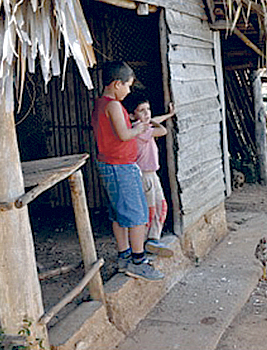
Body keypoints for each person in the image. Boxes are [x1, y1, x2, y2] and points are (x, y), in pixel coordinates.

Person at [91, 61, 164, 280]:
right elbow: (123, 135)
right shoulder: (113, 105)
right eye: (128, 86)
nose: (129, 90)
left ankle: (124, 255)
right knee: (137, 216)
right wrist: (139, 129)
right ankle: (138, 262)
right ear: (116, 84)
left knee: (118, 214)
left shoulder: (100, 104)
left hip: (110, 165)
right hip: (120, 166)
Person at [123, 92, 176, 257]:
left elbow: (154, 122)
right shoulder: (139, 130)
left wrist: (168, 115)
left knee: (161, 206)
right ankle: (144, 242)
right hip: (144, 176)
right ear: (132, 115)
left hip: (152, 174)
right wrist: (151, 121)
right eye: (142, 110)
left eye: (148, 109)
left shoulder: (142, 127)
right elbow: (162, 130)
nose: (147, 113)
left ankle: (153, 239)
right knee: (149, 209)